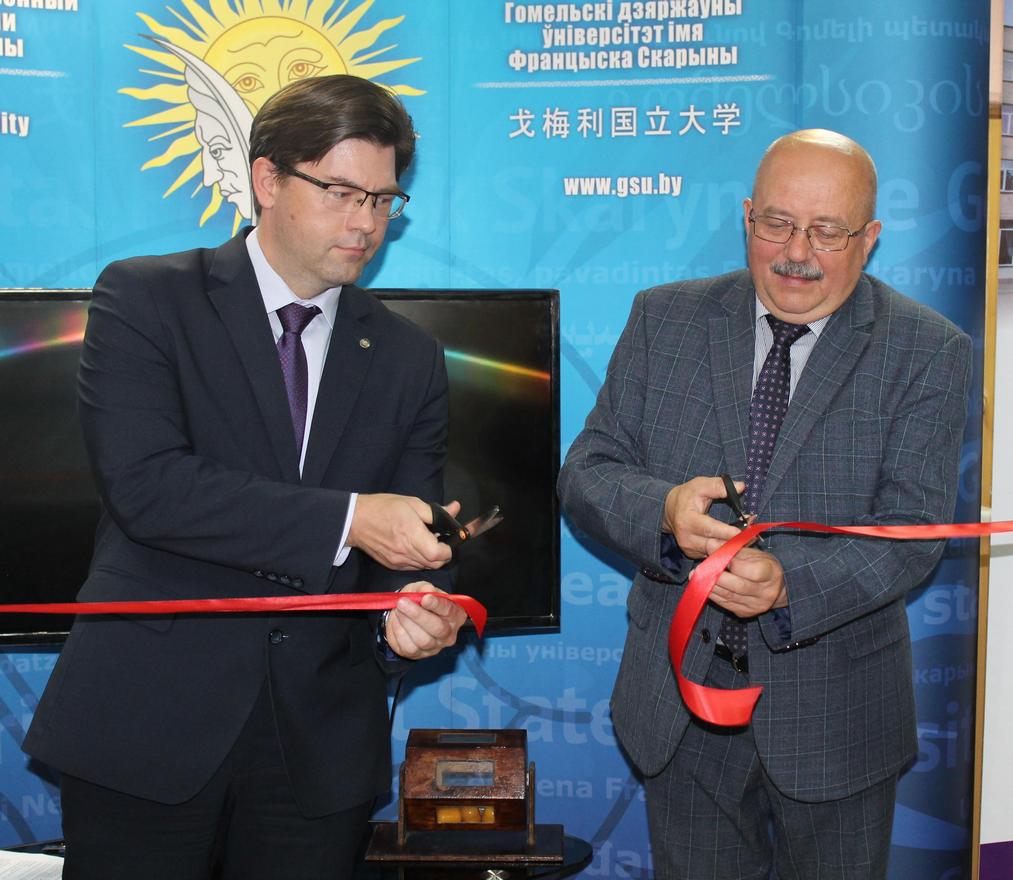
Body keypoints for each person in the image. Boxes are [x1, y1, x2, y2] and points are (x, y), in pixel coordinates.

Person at [24, 74, 468, 880]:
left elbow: (414, 527)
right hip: (146, 724)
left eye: (382, 200)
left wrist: (414, 608)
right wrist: (351, 520)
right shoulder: (148, 297)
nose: (365, 223)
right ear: (267, 179)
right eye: (341, 193)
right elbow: (150, 488)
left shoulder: (408, 356)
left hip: (318, 747)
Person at [557, 129, 972, 880]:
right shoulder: (664, 318)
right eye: (777, 223)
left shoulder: (926, 349)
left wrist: (788, 586)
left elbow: (913, 530)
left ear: (870, 237)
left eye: (828, 231)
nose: (797, 253)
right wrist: (664, 512)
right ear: (747, 217)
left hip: (838, 716)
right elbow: (587, 471)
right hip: (679, 708)